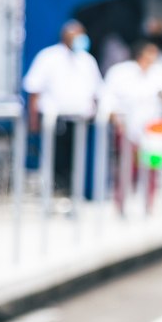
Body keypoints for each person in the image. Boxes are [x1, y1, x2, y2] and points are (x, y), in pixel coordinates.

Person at [22, 20, 103, 195]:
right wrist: (33, 120)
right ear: (66, 36)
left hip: (80, 121)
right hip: (54, 121)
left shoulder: (87, 60)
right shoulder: (48, 56)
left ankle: (72, 195)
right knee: (54, 160)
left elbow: (96, 91)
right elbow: (34, 89)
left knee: (76, 161)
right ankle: (52, 195)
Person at [99, 40, 162, 213]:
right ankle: (121, 205)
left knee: (152, 169)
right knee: (127, 168)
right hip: (128, 127)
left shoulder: (160, 73)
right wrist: (116, 120)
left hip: (154, 130)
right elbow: (108, 99)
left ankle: (148, 205)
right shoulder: (120, 73)